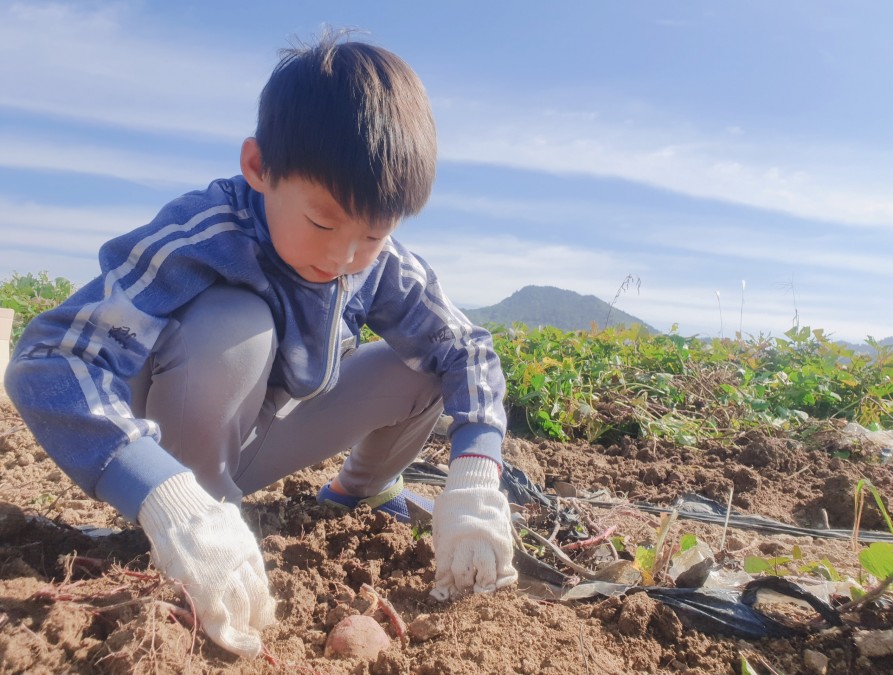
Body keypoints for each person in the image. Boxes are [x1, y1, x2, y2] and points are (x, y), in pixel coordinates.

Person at [4, 33, 517, 658]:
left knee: (426, 367)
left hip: (267, 435)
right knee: (233, 322)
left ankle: (360, 493)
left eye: (373, 234)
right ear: (259, 168)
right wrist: (163, 494)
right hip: (173, 457)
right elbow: (51, 358)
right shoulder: (204, 233)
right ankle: (196, 526)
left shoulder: (375, 266)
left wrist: (476, 473)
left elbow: (468, 351)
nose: (342, 256)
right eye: (323, 222)